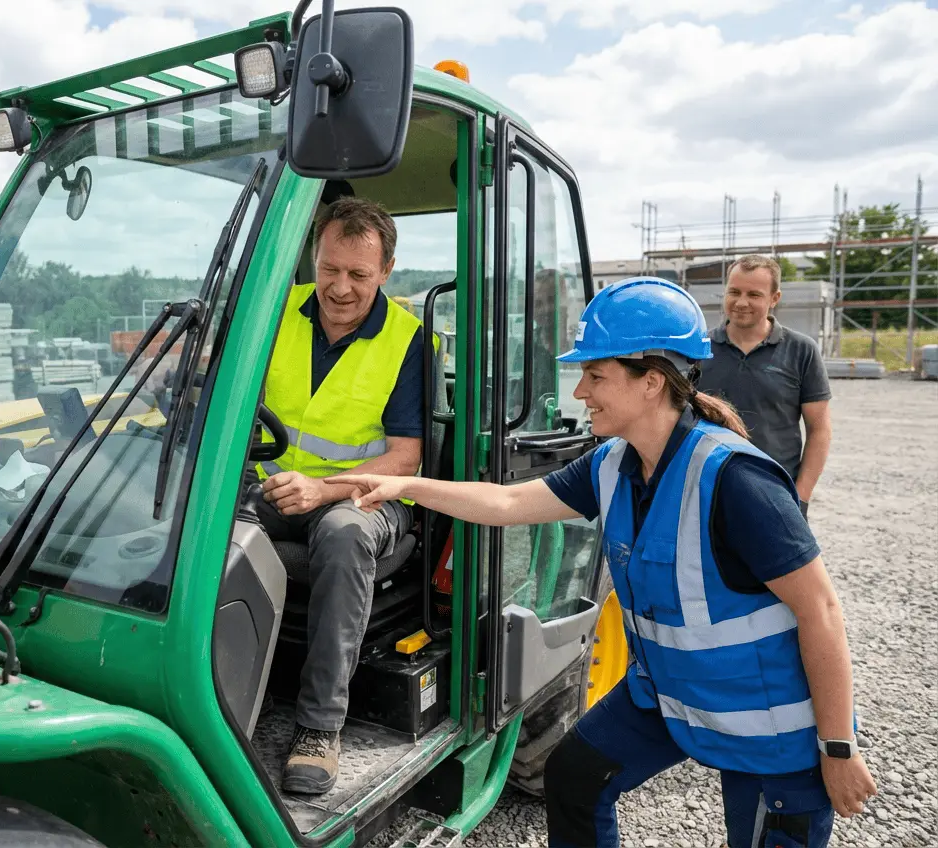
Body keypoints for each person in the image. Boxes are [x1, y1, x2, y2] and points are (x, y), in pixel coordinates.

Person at [327, 277, 875, 847]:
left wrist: (837, 749)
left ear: (651, 383)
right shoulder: (612, 464)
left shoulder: (737, 480)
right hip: (670, 694)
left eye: (595, 375)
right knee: (574, 778)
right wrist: (404, 485)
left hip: (769, 724)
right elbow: (510, 502)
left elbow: (821, 613)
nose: (580, 392)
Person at [254, 195, 428, 795]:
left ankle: (319, 728)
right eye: (330, 269)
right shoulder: (273, 311)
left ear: (385, 272)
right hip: (276, 487)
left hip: (372, 496)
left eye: (358, 274)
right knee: (200, 521)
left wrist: (323, 488)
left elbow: (406, 459)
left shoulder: (408, 341)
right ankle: (218, 691)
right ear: (313, 259)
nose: (341, 287)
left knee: (344, 535)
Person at [697, 255, 832, 517]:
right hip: (707, 493)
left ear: (774, 298)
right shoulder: (699, 350)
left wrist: (800, 497)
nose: (741, 302)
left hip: (776, 495)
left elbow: (820, 431)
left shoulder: (801, 350)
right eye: (734, 292)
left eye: (754, 294)